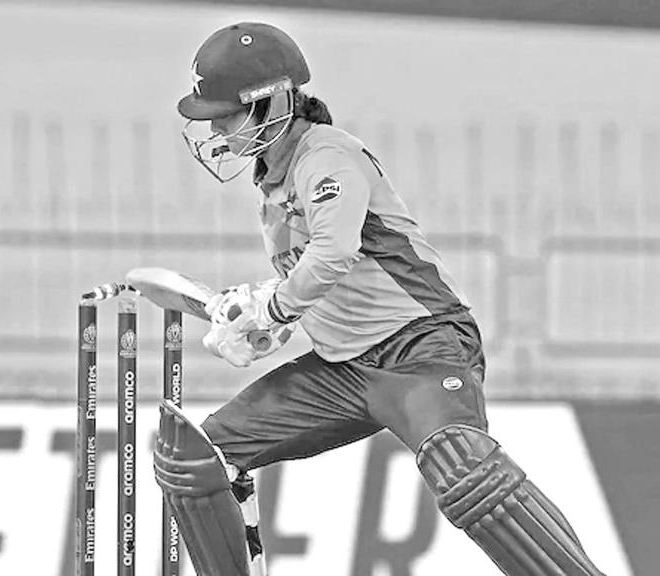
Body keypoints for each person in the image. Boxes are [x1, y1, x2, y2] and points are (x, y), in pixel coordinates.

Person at [153, 22, 605, 576]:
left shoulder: (327, 158)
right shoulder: (272, 180)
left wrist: (273, 307)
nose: (217, 129)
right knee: (197, 459)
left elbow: (333, 253)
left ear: (273, 103)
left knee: (464, 470)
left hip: (421, 349)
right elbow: (323, 280)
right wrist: (263, 322)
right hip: (343, 369)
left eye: (226, 114)